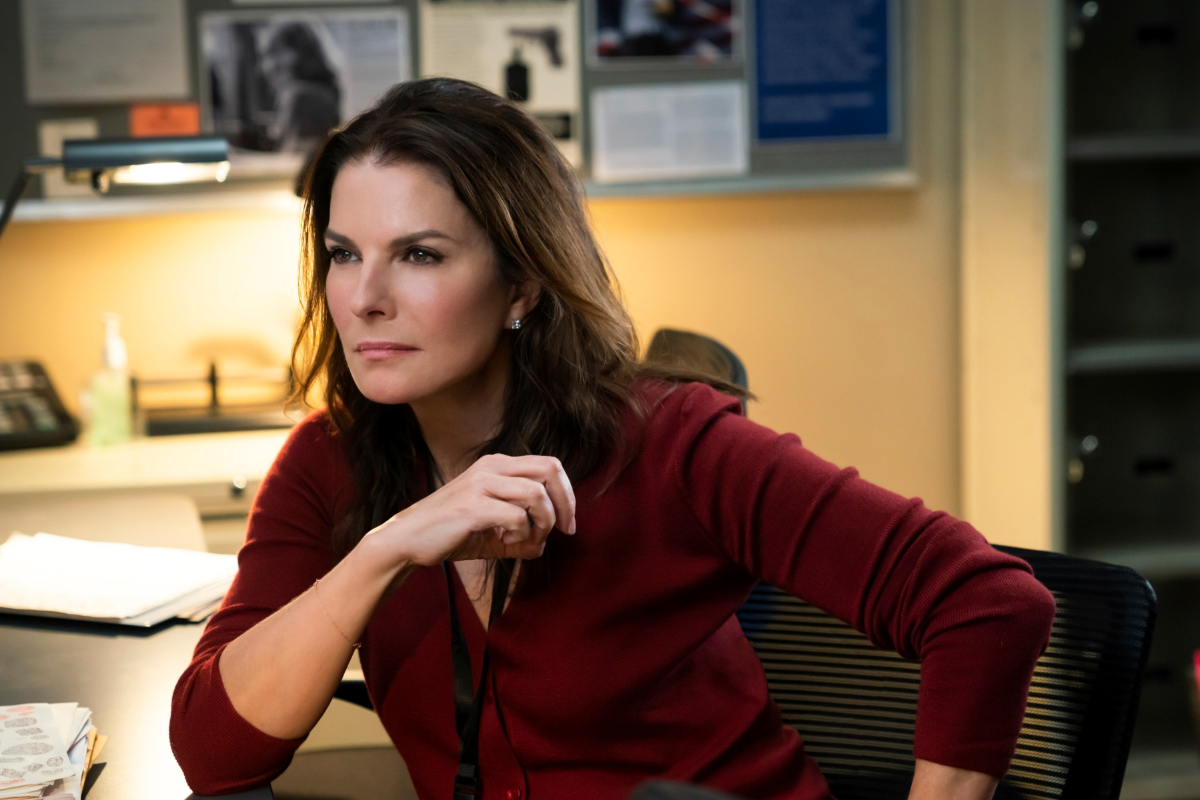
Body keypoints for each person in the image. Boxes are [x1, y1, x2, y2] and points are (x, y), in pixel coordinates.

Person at [170, 78, 1055, 800]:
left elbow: (987, 603)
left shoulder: (671, 441)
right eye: (343, 254)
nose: (365, 299)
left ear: (522, 286)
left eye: (420, 255)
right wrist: (385, 550)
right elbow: (213, 754)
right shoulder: (327, 462)